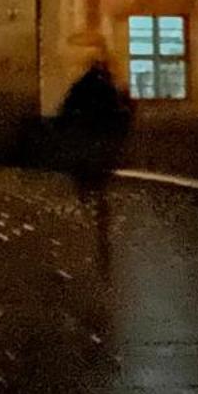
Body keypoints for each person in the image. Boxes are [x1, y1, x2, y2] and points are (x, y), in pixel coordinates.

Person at [55, 56, 133, 261]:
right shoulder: (108, 89)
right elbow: (119, 113)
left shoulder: (80, 86)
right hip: (101, 139)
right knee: (99, 179)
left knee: (84, 169)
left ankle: (85, 193)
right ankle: (98, 208)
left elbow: (66, 109)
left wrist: (65, 129)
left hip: (86, 137)